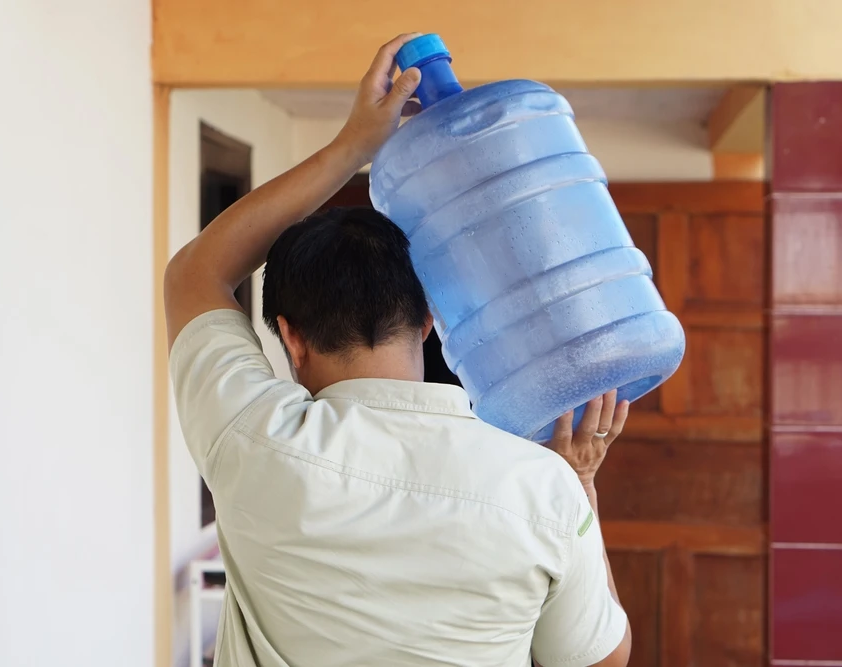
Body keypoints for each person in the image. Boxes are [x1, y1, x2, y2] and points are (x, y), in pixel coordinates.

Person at [165, 33, 632, 667]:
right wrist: (579, 487)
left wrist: (353, 145)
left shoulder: (252, 438)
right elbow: (601, 660)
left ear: (290, 337)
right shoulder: (541, 488)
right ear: (429, 321)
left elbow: (196, 273)